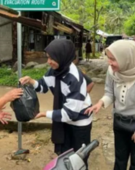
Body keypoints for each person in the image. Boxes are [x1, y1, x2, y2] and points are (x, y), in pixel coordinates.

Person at [85, 40, 135, 170]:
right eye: (108, 58)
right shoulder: (113, 71)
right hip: (120, 122)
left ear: (126, 58)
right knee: (119, 161)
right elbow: (109, 92)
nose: (109, 62)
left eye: (113, 59)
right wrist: (101, 102)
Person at [19, 39, 92, 167]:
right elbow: (43, 86)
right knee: (65, 156)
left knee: (78, 159)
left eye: (52, 58)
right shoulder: (55, 70)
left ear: (62, 57)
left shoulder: (74, 78)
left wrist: (44, 114)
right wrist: (31, 81)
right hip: (64, 118)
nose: (48, 62)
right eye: (48, 57)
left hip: (79, 122)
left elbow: (70, 114)